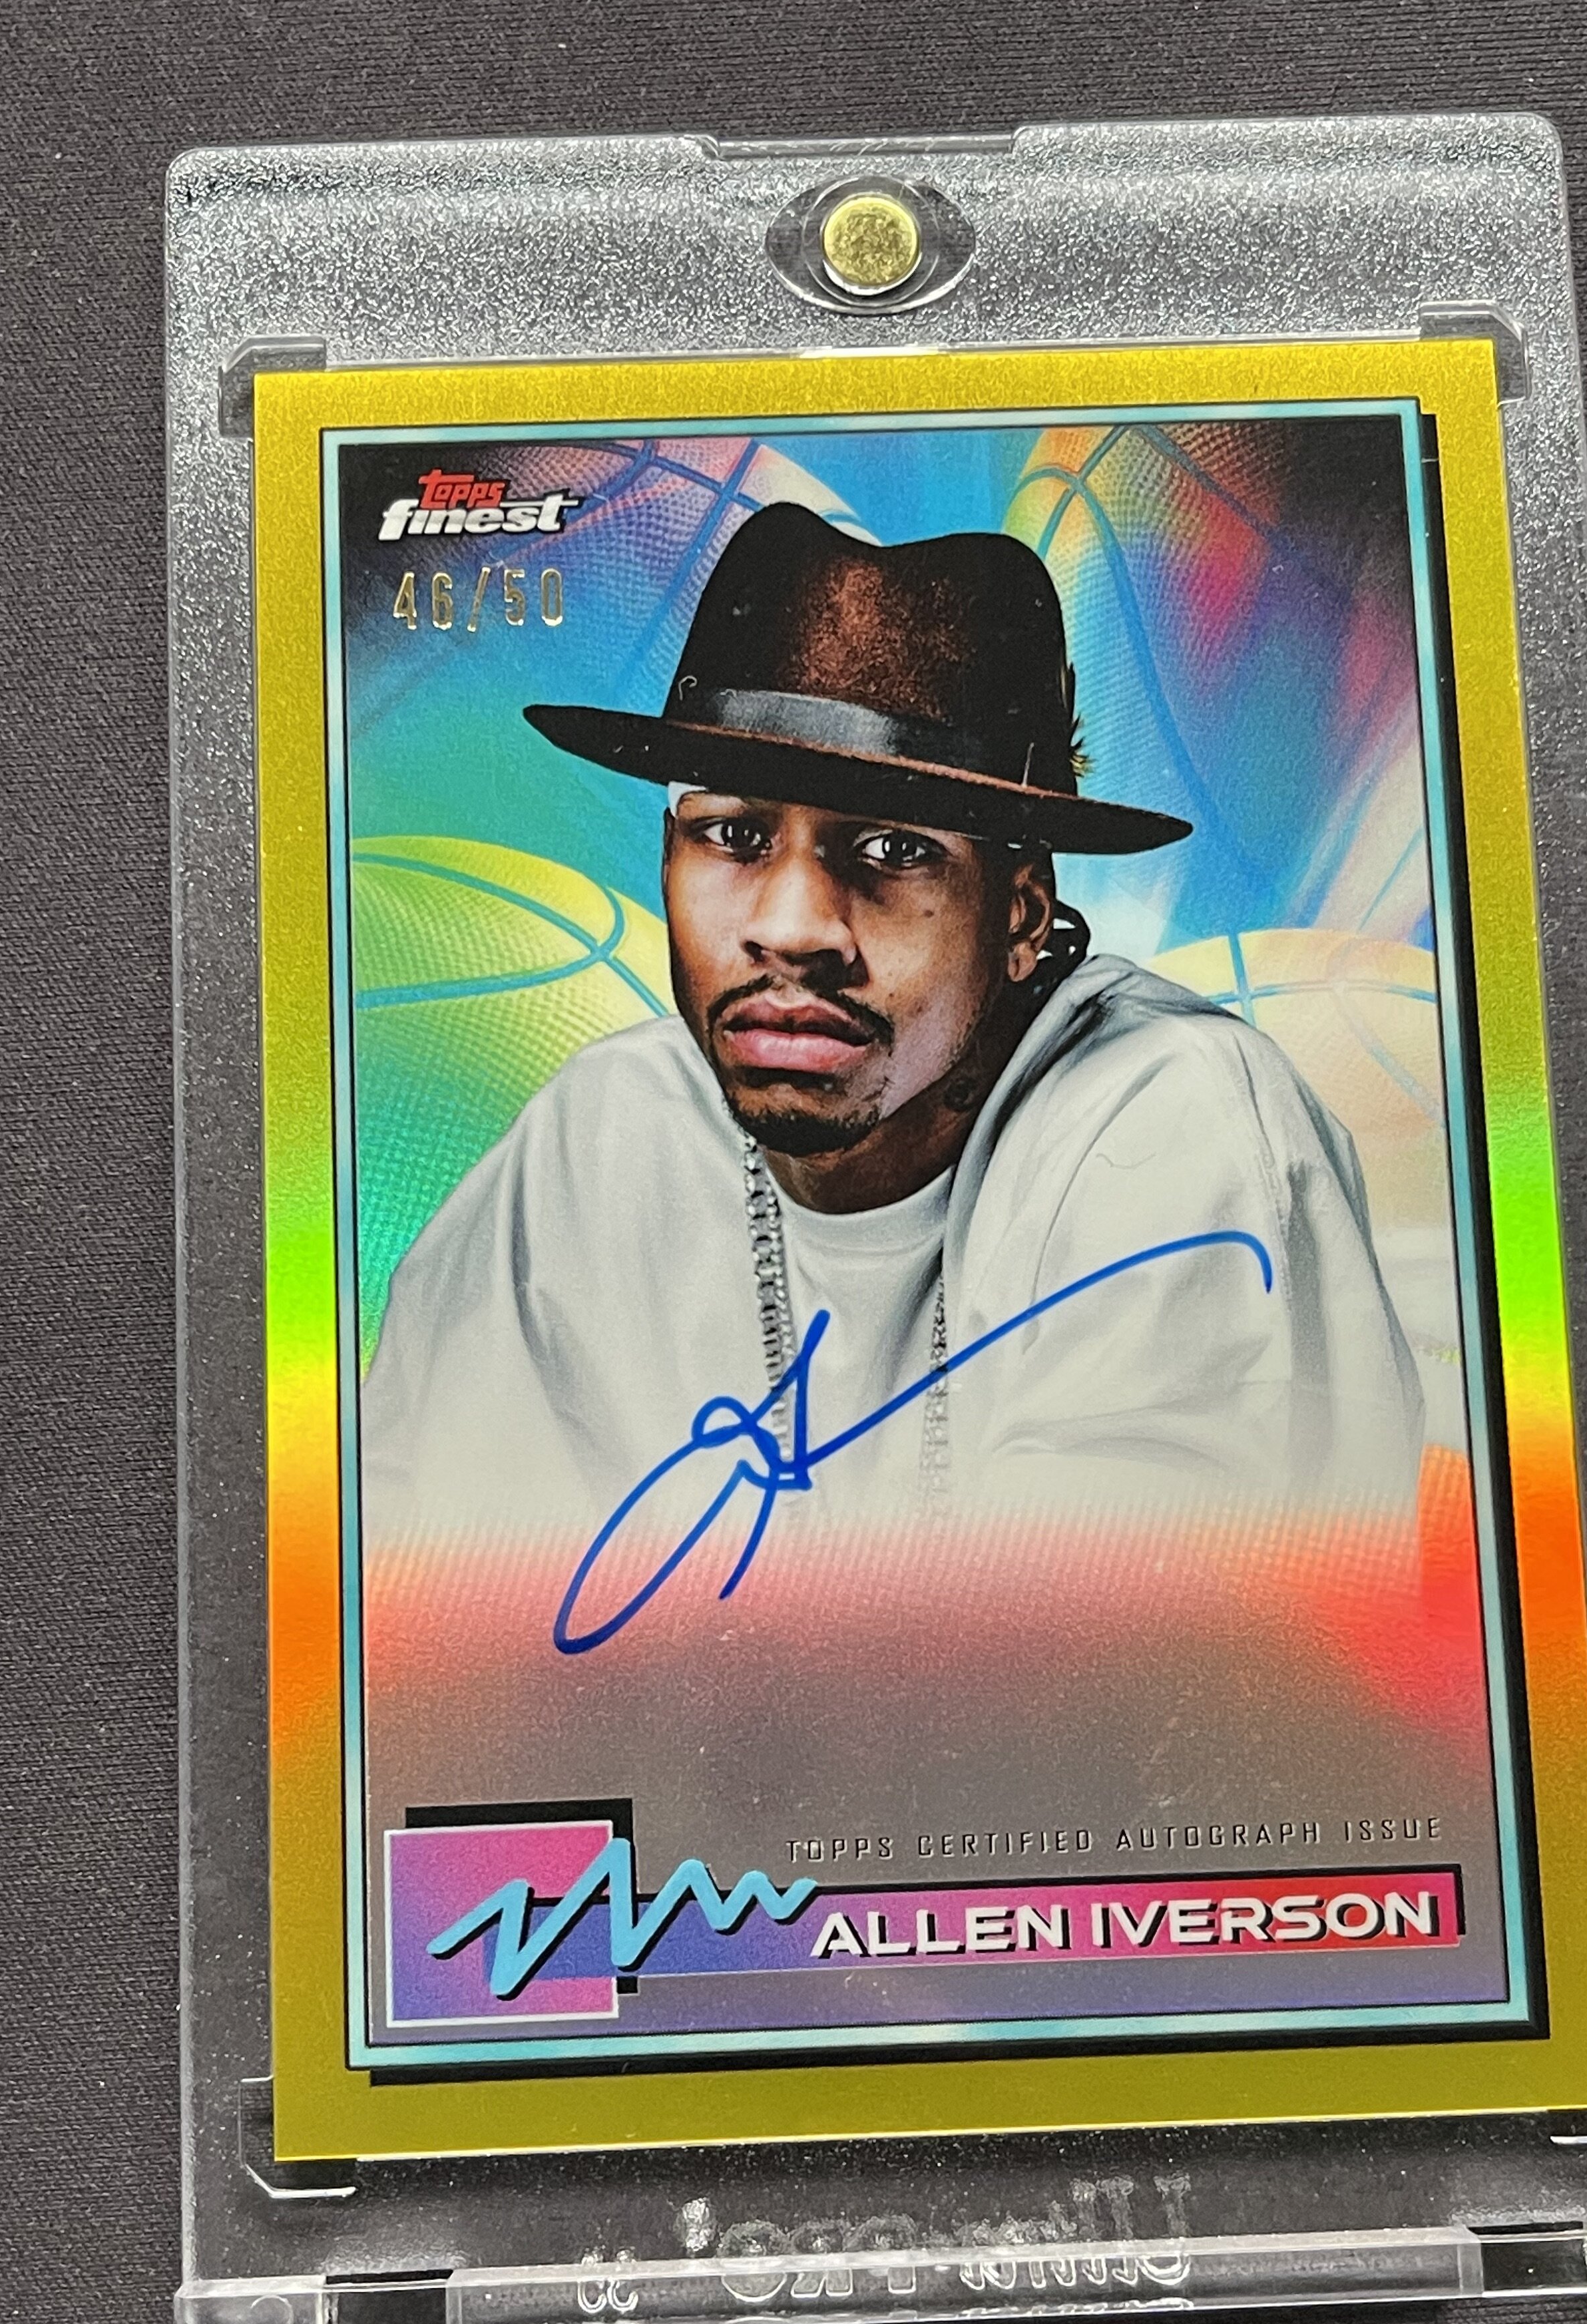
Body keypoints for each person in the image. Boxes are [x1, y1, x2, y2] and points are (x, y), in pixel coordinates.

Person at [361, 502, 1422, 1581]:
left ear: (1021, 916)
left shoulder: (1169, 1114)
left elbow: (1107, 1656)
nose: (792, 929)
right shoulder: (598, 1143)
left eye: (891, 850)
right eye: (734, 834)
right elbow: (418, 1610)